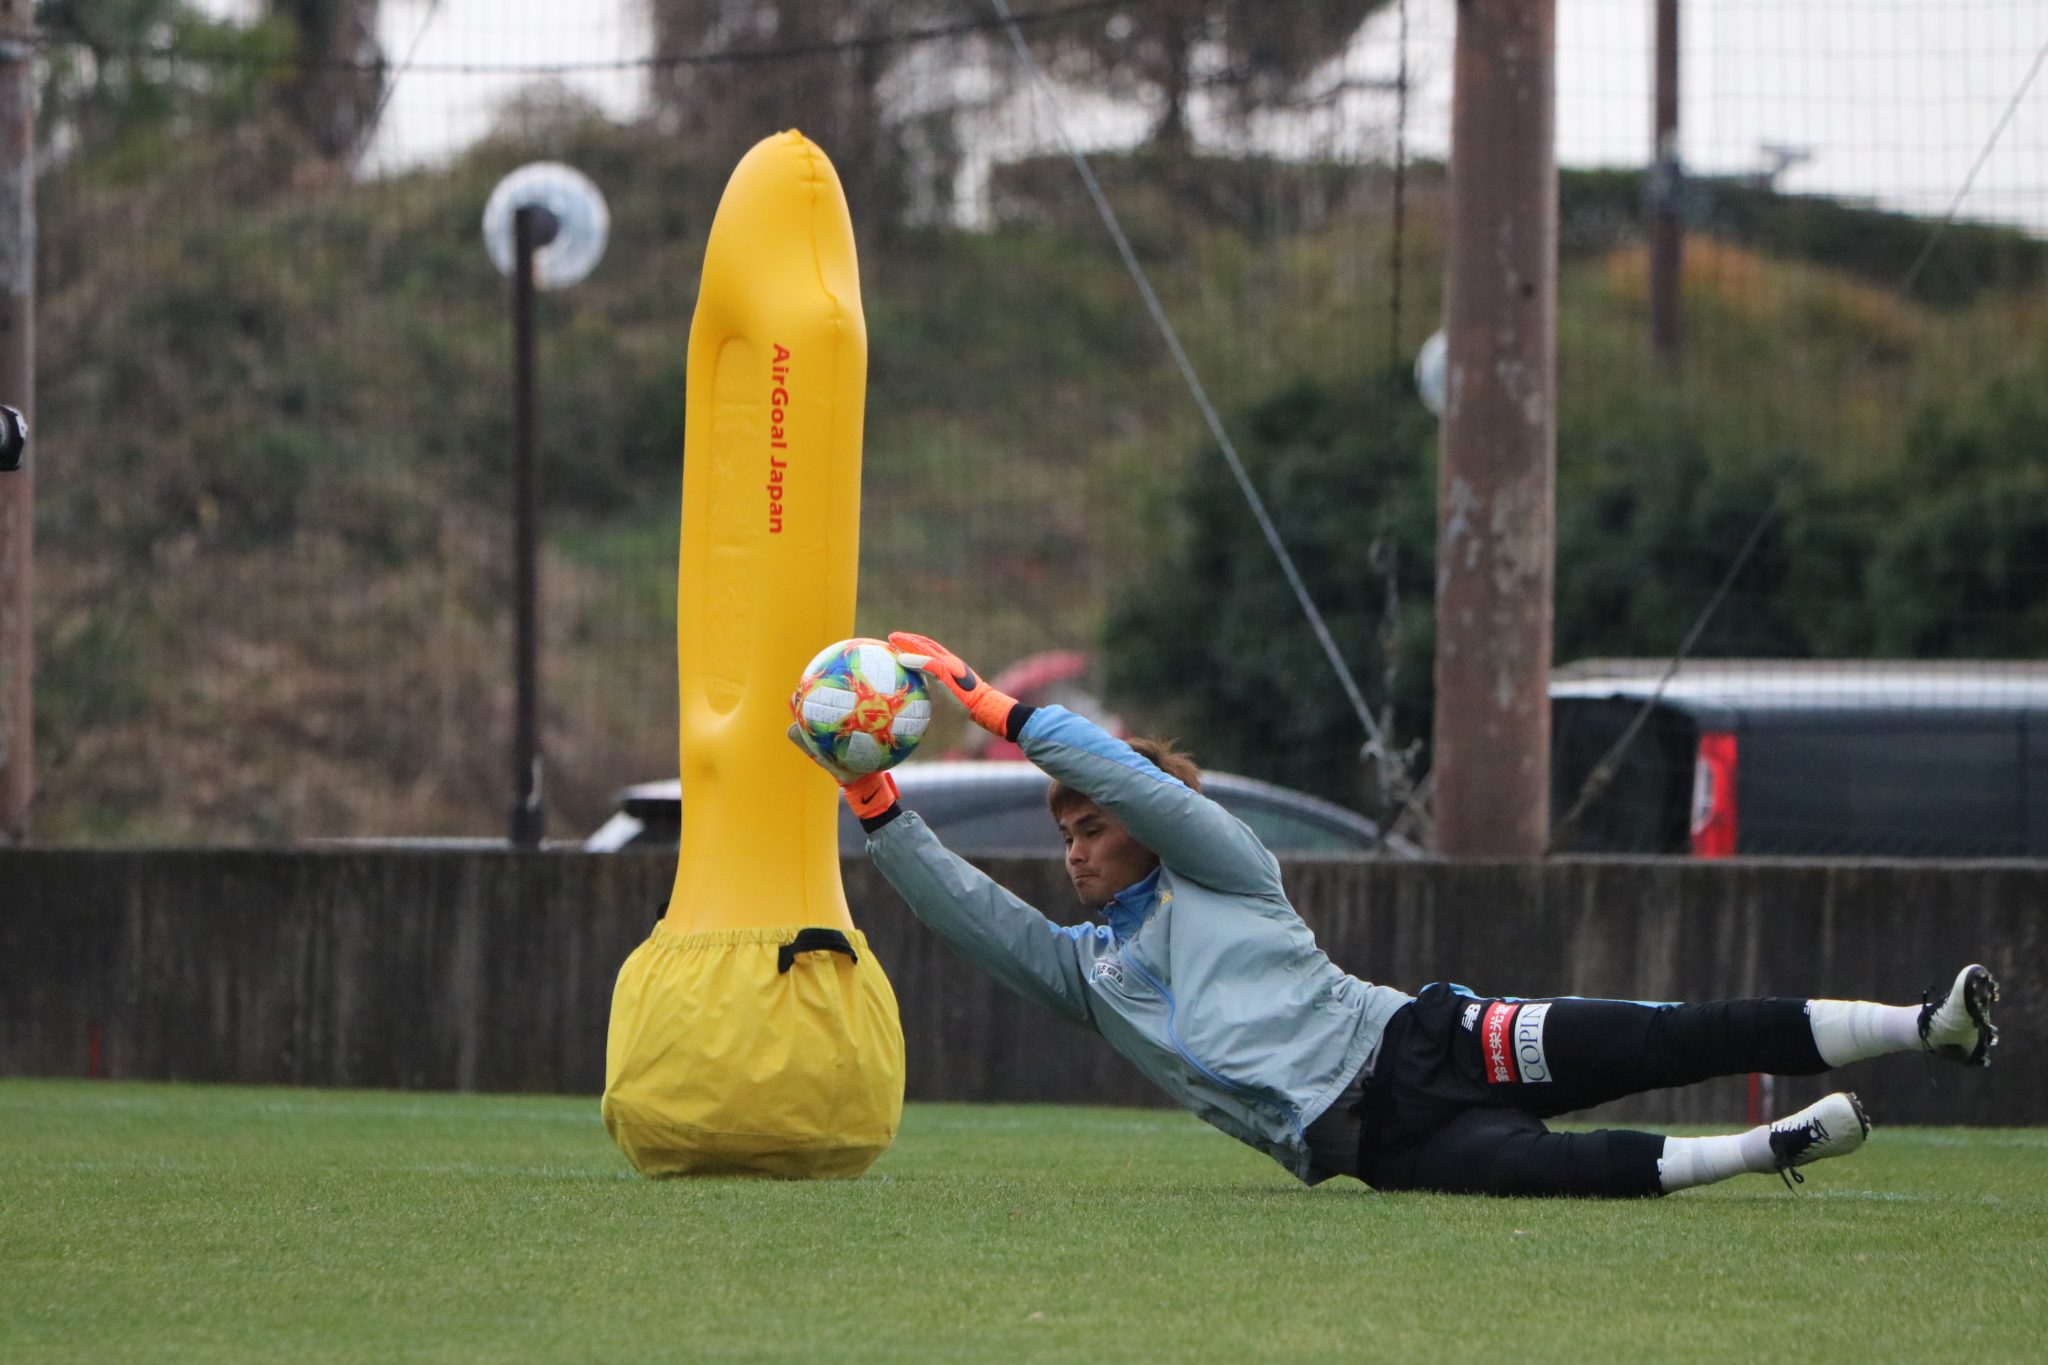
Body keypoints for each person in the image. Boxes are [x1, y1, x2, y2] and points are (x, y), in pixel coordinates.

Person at [792, 631, 2002, 1196]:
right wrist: (878, 809)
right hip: (1369, 1146)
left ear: (1145, 825)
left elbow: (1141, 789)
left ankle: (1922, 1025)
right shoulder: (1089, 973)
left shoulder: (1224, 865)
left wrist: (1002, 713)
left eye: (1088, 828)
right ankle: (1766, 1150)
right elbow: (973, 919)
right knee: (1542, 1174)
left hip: (1428, 1039)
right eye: (1062, 836)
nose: (1073, 850)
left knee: (1655, 1038)